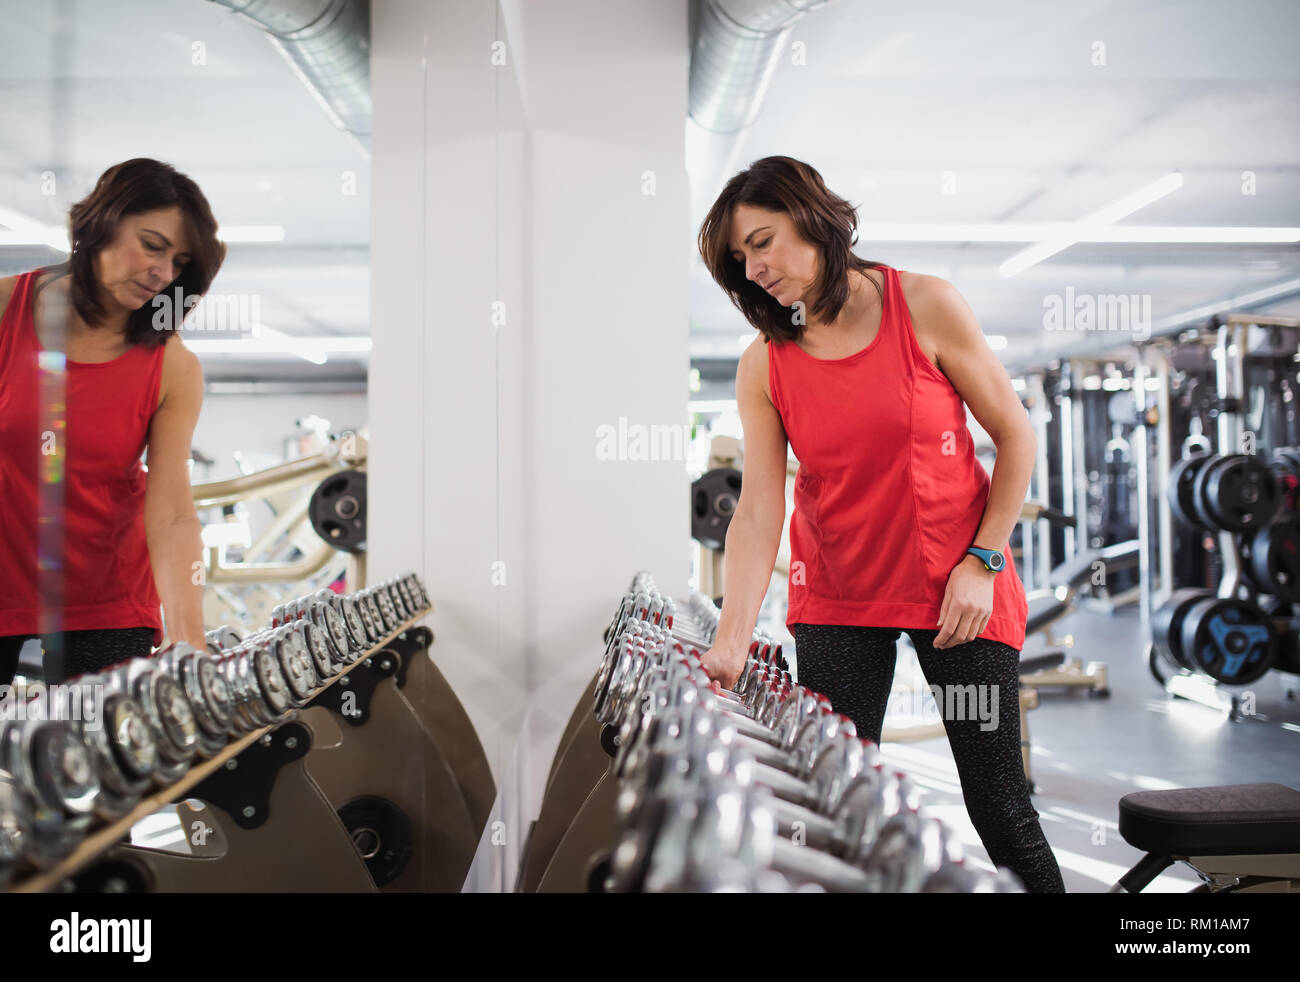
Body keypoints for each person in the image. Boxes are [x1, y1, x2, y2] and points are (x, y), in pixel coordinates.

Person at [694, 155, 1065, 893]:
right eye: (741, 258)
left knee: (1001, 809)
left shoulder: (925, 305)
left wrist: (983, 560)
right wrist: (730, 638)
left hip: (958, 590)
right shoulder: (764, 363)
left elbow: (1016, 437)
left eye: (763, 240)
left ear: (813, 217)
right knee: (830, 806)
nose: (755, 266)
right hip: (839, 598)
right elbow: (760, 506)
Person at [0, 158, 225, 685]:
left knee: (104, 756)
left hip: (107, 594)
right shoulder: (5, 310)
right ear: (100, 223)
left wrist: (189, 639)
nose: (163, 273)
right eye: (152, 245)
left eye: (179, 261)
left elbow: (170, 512)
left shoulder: (172, 365)